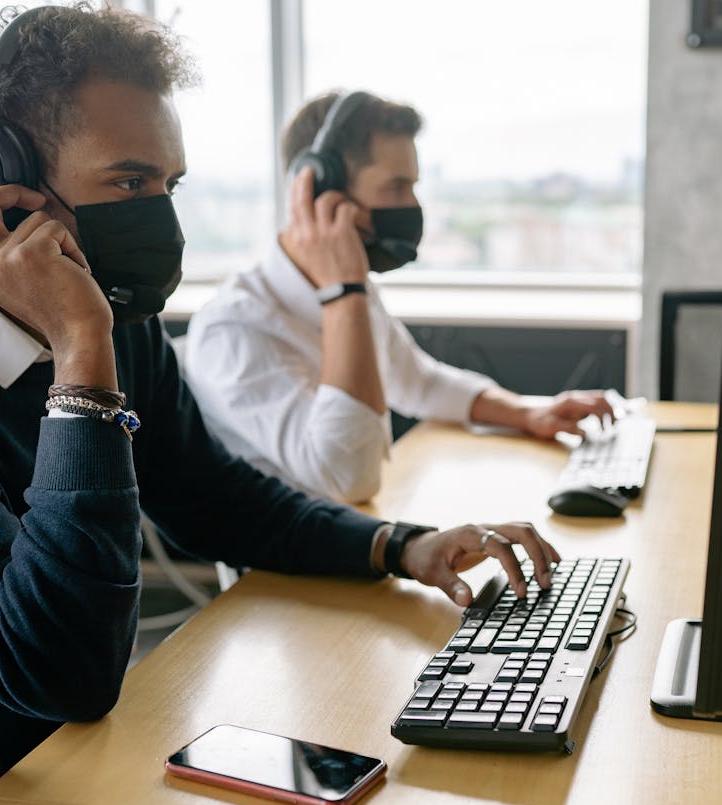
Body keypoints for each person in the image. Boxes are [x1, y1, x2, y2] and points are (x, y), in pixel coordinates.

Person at [0, 4, 557, 775]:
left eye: (169, 182)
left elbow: (212, 496)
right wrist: (82, 358)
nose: (161, 217)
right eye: (130, 180)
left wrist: (401, 544)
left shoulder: (112, 315)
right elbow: (57, 671)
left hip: (88, 763)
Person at [184, 91, 616, 504]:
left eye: (413, 187)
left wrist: (526, 413)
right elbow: (348, 477)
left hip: (362, 536)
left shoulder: (352, 289)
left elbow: (417, 381)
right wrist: (343, 293)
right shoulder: (235, 329)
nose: (411, 205)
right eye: (395, 188)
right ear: (316, 187)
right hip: (283, 573)